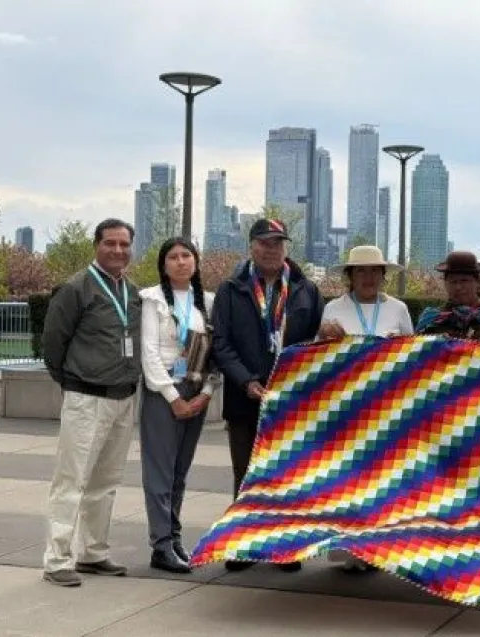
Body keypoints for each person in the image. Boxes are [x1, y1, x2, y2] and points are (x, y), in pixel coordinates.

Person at [211, 218, 325, 573]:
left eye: (278, 243)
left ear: (286, 247)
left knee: (288, 475)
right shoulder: (231, 289)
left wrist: (297, 383)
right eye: (264, 242)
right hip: (245, 398)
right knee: (247, 474)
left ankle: (284, 546)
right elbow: (221, 344)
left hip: (291, 401)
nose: (272, 249)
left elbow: (318, 344)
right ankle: (244, 544)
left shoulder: (306, 290)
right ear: (251, 246)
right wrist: (246, 381)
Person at [40, 218, 143, 588]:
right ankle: (57, 560)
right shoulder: (76, 288)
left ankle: (93, 553)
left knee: (106, 481)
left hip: (123, 397)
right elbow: (53, 343)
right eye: (110, 243)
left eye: (124, 244)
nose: (118, 250)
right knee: (71, 480)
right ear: (96, 245)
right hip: (86, 397)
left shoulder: (131, 291)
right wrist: (72, 381)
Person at [317, 244, 413, 573]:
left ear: (383, 275)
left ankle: (376, 549)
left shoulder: (398, 309)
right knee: (347, 479)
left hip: (387, 408)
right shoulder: (333, 308)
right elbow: (319, 358)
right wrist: (324, 338)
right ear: (350, 276)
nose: (368, 277)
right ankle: (346, 547)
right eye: (361, 271)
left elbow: (413, 356)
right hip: (347, 407)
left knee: (382, 481)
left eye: (374, 271)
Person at [139, 237, 219, 574]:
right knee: (160, 471)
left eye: (187, 255)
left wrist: (206, 393)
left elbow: (217, 353)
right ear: (163, 264)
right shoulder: (152, 300)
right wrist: (174, 399)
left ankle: (173, 537)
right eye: (173, 256)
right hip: (164, 392)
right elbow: (149, 354)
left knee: (179, 472)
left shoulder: (209, 302)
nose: (181, 261)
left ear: (196, 261)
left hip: (197, 389)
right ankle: (160, 545)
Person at [415, 250, 480, 349]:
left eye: (464, 281)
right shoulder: (431, 320)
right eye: (453, 282)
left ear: (478, 284)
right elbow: (419, 351)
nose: (458, 287)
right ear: (445, 285)